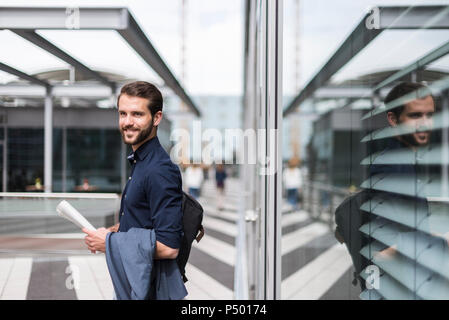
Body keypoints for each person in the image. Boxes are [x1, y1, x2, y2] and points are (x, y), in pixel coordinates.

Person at [82, 81, 185, 299]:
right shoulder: (141, 162)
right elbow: (144, 220)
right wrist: (112, 231)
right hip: (136, 282)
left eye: (137, 114)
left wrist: (108, 243)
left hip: (150, 290)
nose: (128, 122)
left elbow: (169, 246)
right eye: (123, 114)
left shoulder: (160, 170)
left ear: (156, 118)